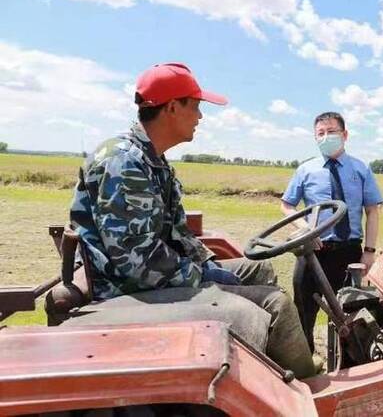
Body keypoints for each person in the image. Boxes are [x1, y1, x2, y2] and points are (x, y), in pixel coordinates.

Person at [69, 62, 315, 377]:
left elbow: (178, 234)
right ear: (172, 107)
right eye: (196, 106)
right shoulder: (124, 163)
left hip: (147, 272)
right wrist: (201, 276)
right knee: (276, 306)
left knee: (258, 267)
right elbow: (137, 262)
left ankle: (265, 364)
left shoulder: (152, 161)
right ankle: (306, 394)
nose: (200, 116)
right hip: (121, 286)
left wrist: (207, 263)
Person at [280, 111, 383, 352]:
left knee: (348, 311)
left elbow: (372, 211)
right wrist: (305, 228)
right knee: (303, 310)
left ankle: (344, 360)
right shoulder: (305, 170)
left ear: (345, 135)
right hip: (312, 252)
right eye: (321, 133)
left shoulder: (361, 169)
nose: (326, 137)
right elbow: (286, 205)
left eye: (332, 132)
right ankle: (306, 359)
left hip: (348, 253)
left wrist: (368, 251)